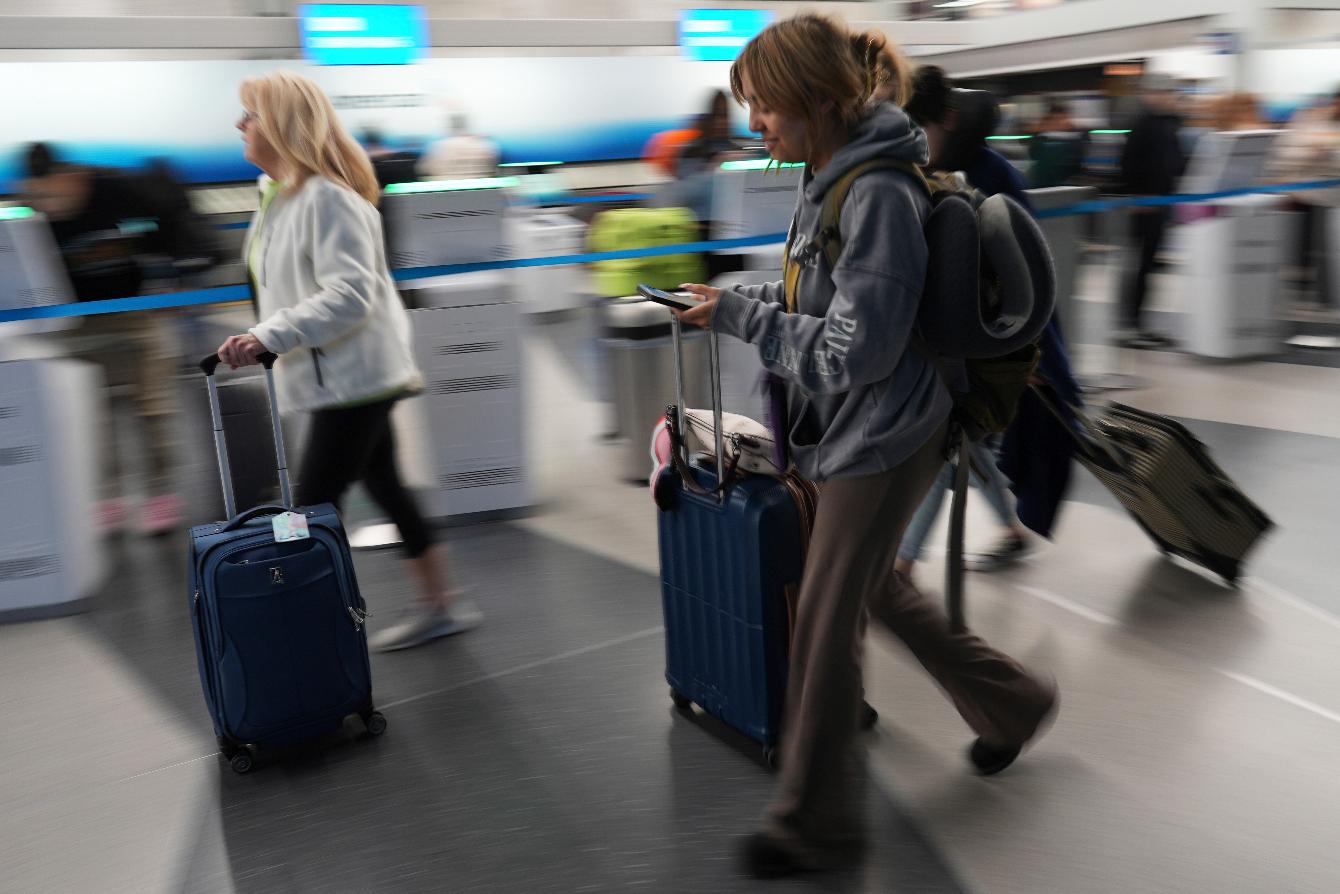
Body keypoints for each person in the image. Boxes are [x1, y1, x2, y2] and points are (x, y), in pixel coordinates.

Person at [676, 16, 1057, 878]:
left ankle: (814, 823)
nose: (756, 124)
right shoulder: (828, 178)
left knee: (825, 613)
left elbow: (860, 350)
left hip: (886, 431)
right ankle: (1015, 704)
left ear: (816, 100)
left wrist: (742, 318)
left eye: (767, 106)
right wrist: (731, 298)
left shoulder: (877, 191)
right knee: (876, 588)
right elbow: (824, 300)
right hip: (860, 425)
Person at [217, 70, 481, 652]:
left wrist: (269, 335)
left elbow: (349, 295)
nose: (240, 125)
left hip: (354, 378)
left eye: (251, 115)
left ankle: (299, 634)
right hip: (336, 375)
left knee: (306, 509)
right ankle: (442, 603)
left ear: (282, 126)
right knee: (384, 482)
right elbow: (289, 289)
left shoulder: (328, 200)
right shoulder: (277, 198)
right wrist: (266, 333)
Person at [21, 143, 194, 536]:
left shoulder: (118, 190)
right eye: (39, 195)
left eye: (53, 192)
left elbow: (168, 223)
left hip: (136, 311)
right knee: (92, 413)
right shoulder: (37, 212)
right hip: (79, 320)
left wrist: (171, 279)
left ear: (72, 176)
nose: (49, 203)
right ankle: (108, 497)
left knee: (152, 406)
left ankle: (160, 494)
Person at [1117, 74, 1187, 349]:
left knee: (1148, 266)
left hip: (1159, 204)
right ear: (1151, 95)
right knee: (1139, 266)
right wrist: (1136, 196)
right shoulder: (1142, 125)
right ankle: (1129, 324)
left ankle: (1139, 322)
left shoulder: (1167, 125)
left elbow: (1174, 163)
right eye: (1165, 93)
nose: (1170, 98)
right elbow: (1128, 165)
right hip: (1143, 207)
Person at [417, 112, 498, 181]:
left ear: (450, 127)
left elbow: (423, 170)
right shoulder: (486, 145)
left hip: (446, 194)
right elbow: (493, 170)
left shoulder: (438, 146)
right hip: (483, 193)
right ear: (467, 126)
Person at [1028, 98, 1088, 188]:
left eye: (1061, 119)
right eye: (1054, 119)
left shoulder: (1076, 138)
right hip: (1042, 186)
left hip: (1067, 187)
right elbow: (1033, 154)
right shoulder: (1042, 137)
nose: (1058, 123)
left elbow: (1077, 161)